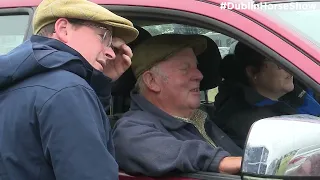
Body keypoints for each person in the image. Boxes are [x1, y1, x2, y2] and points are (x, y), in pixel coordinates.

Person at [0, 0, 138, 179]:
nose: (111, 53)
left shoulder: (16, 80)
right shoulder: (68, 91)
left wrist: (100, 83)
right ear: (64, 29)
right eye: (103, 37)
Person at [112, 34, 243, 177]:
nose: (199, 75)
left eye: (196, 67)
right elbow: (162, 150)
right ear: (152, 81)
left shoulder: (200, 118)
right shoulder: (131, 130)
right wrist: (221, 161)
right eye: (185, 69)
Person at [214, 42, 320, 148]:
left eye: (289, 61)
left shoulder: (302, 86)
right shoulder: (249, 123)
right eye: (280, 64)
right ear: (252, 72)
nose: (290, 68)